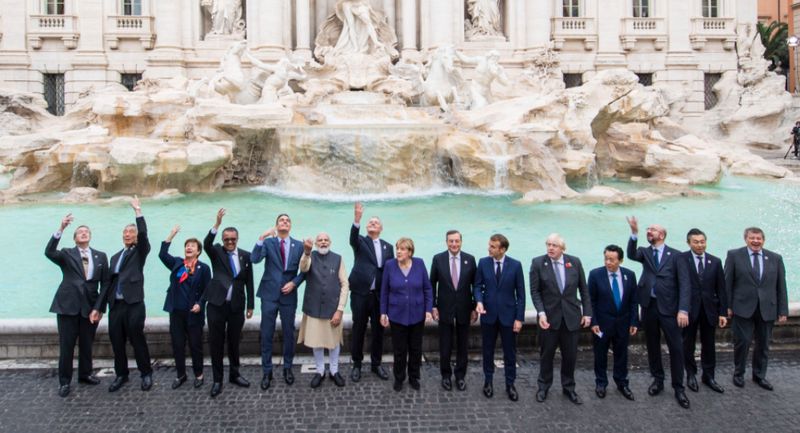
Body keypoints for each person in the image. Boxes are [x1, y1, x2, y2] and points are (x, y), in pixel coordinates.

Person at [626, 216, 691, 409]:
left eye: (652, 230)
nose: (649, 231)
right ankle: (658, 380)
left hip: (670, 309)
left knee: (676, 348)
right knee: (652, 345)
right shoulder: (644, 252)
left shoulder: (677, 255)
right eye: (647, 229)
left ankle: (679, 387)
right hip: (649, 306)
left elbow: (685, 284)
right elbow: (630, 254)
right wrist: (634, 233)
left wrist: (683, 309)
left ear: (661, 235)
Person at [93, 196, 153, 393]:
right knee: (116, 341)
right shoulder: (115, 256)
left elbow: (144, 235)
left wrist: (138, 211)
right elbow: (108, 283)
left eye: (131, 232)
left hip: (134, 303)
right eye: (125, 232)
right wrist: (98, 308)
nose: (128, 234)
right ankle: (121, 374)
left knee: (137, 339)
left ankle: (146, 373)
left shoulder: (140, 251)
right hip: (116, 305)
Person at [45, 213, 109, 397]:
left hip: (90, 307)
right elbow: (49, 252)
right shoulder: (66, 253)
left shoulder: (101, 256)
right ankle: (64, 382)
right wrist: (61, 229)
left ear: (90, 236)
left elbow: (105, 284)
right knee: (67, 345)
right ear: (74, 238)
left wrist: (99, 307)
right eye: (80, 232)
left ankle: (85, 374)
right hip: (67, 305)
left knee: (87, 343)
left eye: (86, 231)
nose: (83, 233)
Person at [530, 233, 592, 405]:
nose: (550, 248)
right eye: (548, 244)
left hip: (571, 318)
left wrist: (587, 313)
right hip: (549, 319)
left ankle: (569, 387)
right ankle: (543, 386)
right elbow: (535, 292)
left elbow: (584, 290)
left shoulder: (575, 262)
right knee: (546, 355)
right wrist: (541, 313)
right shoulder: (537, 263)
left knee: (570, 356)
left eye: (554, 245)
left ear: (562, 248)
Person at [725, 227, 788, 391]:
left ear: (763, 240)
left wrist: (783, 310)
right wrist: (727, 306)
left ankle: (759, 375)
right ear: (746, 239)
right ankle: (738, 374)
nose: (755, 241)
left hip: (767, 309)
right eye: (752, 238)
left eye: (759, 238)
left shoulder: (775, 258)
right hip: (742, 307)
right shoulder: (734, 255)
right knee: (742, 342)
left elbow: (781, 286)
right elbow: (727, 283)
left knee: (763, 345)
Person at [203, 208, 254, 397]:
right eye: (227, 239)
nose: (230, 242)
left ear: (237, 239)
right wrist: (216, 224)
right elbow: (206, 243)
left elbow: (249, 281)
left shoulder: (246, 256)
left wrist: (250, 306)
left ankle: (234, 374)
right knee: (216, 343)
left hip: (236, 307)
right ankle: (217, 380)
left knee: (234, 342)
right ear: (223, 240)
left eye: (233, 239)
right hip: (216, 305)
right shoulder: (216, 252)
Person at [251, 213, 306, 390]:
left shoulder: (299, 245)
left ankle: (287, 368)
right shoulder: (268, 243)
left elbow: (304, 271)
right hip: (269, 294)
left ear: (290, 226)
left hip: (289, 295)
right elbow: (254, 259)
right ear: (276, 225)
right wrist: (261, 237)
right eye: (281, 220)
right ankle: (267, 371)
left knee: (289, 333)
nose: (285, 222)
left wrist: (294, 283)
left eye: (287, 220)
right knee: (266, 333)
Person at [474, 234, 525, 402]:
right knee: (487, 351)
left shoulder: (516, 266)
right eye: (489, 245)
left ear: (502, 249)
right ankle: (488, 381)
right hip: (488, 315)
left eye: (493, 246)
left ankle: (510, 384)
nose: (489, 248)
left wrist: (519, 318)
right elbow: (477, 286)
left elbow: (521, 295)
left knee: (510, 353)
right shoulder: (483, 263)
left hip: (508, 317)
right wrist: (479, 301)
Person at [159, 225, 211, 390]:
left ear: (198, 251)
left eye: (192, 246)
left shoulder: (204, 268)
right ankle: (180, 374)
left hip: (194, 313)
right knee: (177, 345)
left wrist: (200, 304)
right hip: (176, 312)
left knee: (196, 346)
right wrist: (171, 235)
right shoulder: (176, 263)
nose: (189, 247)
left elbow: (207, 290)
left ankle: (199, 374)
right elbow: (162, 254)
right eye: (187, 246)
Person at [380, 237, 433, 392]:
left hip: (417, 314)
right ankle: (399, 377)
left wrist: (428, 309)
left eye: (403, 249)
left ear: (410, 252)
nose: (398, 251)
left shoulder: (419, 263)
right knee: (399, 350)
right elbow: (384, 291)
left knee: (416, 349)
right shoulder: (390, 265)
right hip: (397, 315)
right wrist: (383, 312)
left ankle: (414, 376)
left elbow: (427, 289)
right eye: (398, 248)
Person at [348, 202, 394, 382]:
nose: (373, 223)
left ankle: (376, 364)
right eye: (370, 222)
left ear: (381, 228)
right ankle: (357, 365)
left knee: (378, 331)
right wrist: (357, 219)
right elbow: (352, 237)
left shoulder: (388, 247)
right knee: (358, 329)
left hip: (379, 296)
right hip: (360, 293)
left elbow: (390, 271)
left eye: (376, 222)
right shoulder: (360, 242)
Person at [297, 232, 349, 388]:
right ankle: (320, 371)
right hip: (313, 307)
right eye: (320, 240)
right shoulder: (309, 255)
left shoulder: (338, 258)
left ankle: (334, 370)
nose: (323, 242)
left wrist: (340, 310)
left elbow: (345, 284)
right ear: (316, 243)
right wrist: (306, 252)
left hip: (333, 308)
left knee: (334, 342)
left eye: (326, 240)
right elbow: (303, 268)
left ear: (330, 242)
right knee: (316, 342)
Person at [588, 245, 638, 401]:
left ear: (620, 260)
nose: (608, 262)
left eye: (612, 259)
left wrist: (634, 322)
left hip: (622, 323)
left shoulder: (630, 275)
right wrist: (593, 322)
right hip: (602, 324)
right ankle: (601, 383)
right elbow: (591, 301)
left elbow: (633, 301)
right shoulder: (595, 275)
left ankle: (622, 382)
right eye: (606, 258)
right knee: (600, 355)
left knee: (622, 355)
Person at [680, 228, 727, 394]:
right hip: (689, 311)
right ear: (688, 243)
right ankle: (690, 375)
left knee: (709, 345)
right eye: (696, 242)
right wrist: (680, 310)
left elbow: (721, 289)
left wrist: (722, 312)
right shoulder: (681, 259)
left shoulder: (715, 261)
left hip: (709, 310)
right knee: (688, 344)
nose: (700, 245)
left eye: (702, 242)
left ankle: (709, 376)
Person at [429, 230, 477, 391]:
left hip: (464, 308)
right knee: (445, 344)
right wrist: (433, 306)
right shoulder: (438, 259)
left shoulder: (470, 260)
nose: (454, 244)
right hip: (444, 308)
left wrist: (474, 307)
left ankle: (461, 376)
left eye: (457, 241)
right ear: (446, 242)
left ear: (461, 242)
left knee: (463, 345)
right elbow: (431, 285)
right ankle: (446, 375)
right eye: (451, 241)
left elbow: (475, 286)